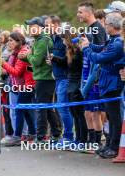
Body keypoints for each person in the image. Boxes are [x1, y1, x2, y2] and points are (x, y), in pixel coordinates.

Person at [80, 13, 124, 158]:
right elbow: (99, 48)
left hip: (113, 83)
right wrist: (88, 44)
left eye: (106, 24)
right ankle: (109, 144)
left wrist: (86, 49)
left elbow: (98, 58)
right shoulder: (112, 40)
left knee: (114, 117)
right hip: (106, 82)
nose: (104, 27)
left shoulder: (118, 44)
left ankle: (114, 147)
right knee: (111, 116)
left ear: (112, 26)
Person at [20, 16, 62, 143]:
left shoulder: (43, 40)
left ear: (40, 27)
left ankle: (41, 136)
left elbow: (36, 61)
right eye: (29, 27)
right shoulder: (38, 40)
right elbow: (34, 59)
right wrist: (25, 57)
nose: (30, 29)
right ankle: (55, 133)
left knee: (41, 107)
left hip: (45, 79)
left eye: (33, 27)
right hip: (43, 78)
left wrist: (28, 54)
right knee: (47, 107)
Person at [77, 1, 107, 146]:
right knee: (87, 111)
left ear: (89, 13)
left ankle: (97, 143)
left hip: (94, 77)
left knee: (95, 113)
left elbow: (101, 53)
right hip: (86, 74)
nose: (78, 15)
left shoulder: (98, 29)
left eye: (80, 12)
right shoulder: (88, 29)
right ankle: (90, 141)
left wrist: (94, 78)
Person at [0, 32, 36, 146]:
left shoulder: (22, 52)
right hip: (24, 85)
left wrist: (3, 64)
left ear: (18, 41)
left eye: (11, 40)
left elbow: (17, 72)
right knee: (24, 110)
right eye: (8, 40)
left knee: (19, 109)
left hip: (28, 85)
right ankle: (32, 133)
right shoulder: (16, 52)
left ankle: (17, 136)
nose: (8, 43)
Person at [45, 16, 74, 143]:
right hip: (57, 78)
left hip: (65, 78)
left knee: (63, 108)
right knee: (60, 108)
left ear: (56, 24)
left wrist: (54, 58)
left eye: (47, 25)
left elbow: (69, 61)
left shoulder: (65, 37)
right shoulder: (53, 38)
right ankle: (66, 135)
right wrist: (52, 61)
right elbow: (59, 59)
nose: (46, 28)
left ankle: (68, 136)